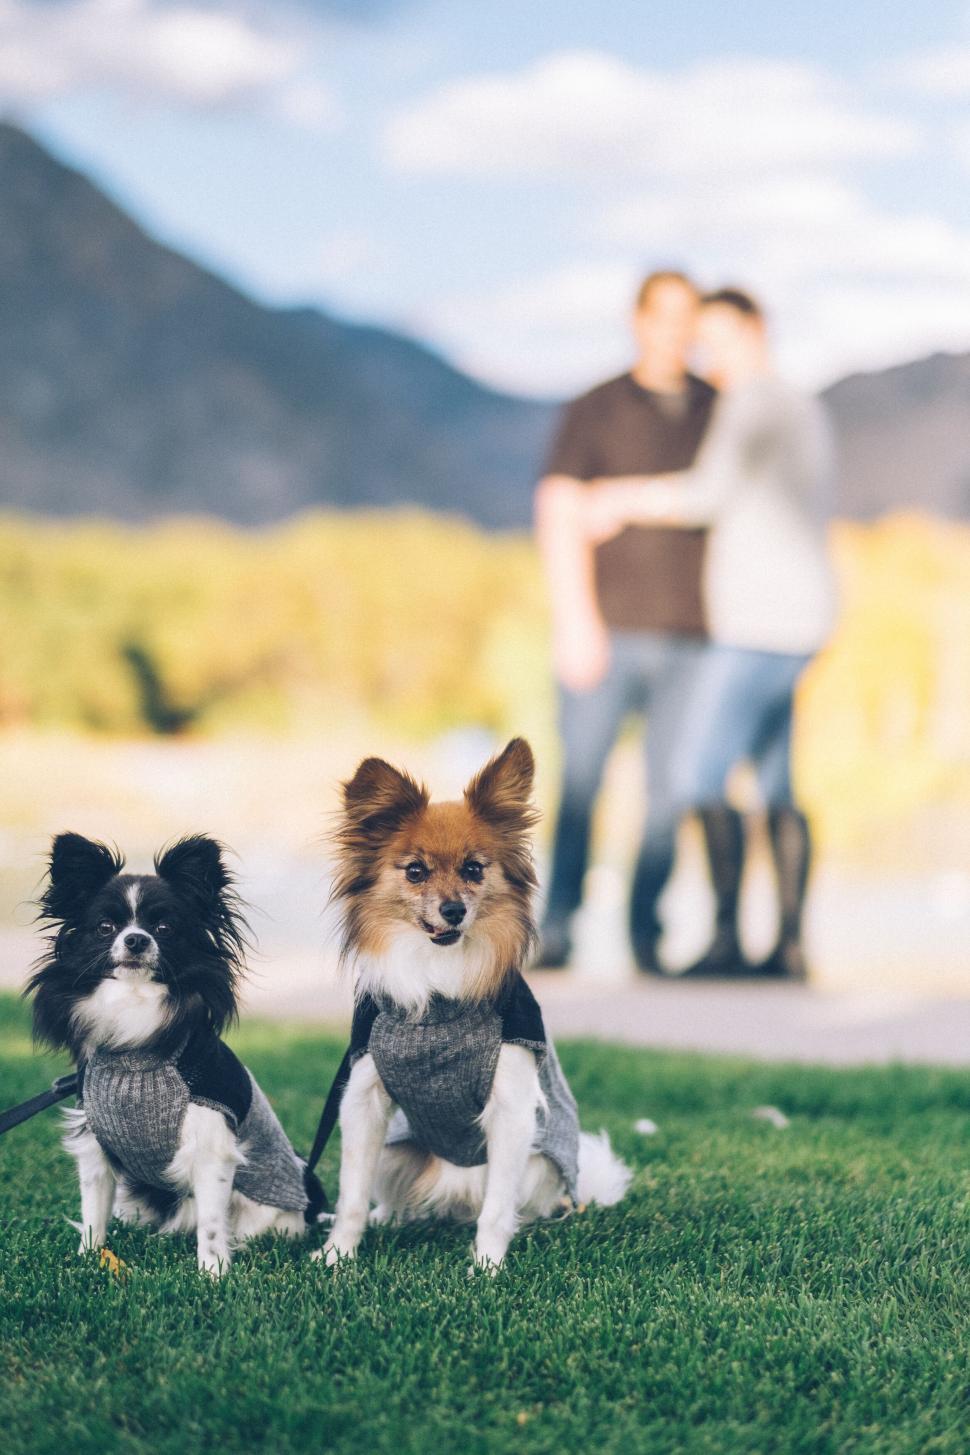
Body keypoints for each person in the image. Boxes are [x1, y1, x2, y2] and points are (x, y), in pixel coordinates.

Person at [582, 288, 838, 980]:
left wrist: (617, 498)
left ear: (757, 330)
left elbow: (706, 492)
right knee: (778, 780)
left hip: (760, 622)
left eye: (721, 338)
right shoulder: (801, 402)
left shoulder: (752, 401)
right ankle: (787, 947)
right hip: (805, 615)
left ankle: (728, 939)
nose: (710, 355)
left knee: (697, 772)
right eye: (706, 342)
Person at [534, 270, 717, 971]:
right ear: (638, 320)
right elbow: (558, 512)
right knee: (581, 781)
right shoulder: (597, 407)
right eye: (662, 315)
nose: (675, 329)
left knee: (671, 792)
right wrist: (575, 620)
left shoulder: (715, 408)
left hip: (695, 637)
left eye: (687, 317)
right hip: (606, 632)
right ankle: (558, 926)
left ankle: (648, 934)